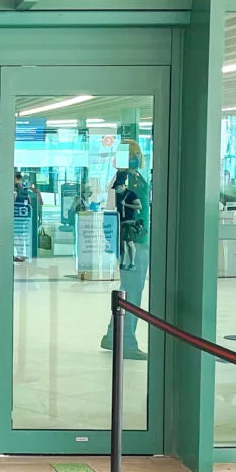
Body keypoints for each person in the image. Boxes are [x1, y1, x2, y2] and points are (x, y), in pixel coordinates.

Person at [101, 143, 150, 361]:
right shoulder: (123, 179)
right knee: (132, 290)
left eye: (136, 154)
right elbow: (114, 211)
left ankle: (113, 336)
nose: (135, 157)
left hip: (137, 239)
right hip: (132, 240)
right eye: (131, 155)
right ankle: (126, 341)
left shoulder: (134, 177)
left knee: (129, 288)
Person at [114, 171, 143, 270]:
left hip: (129, 222)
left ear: (122, 185)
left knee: (129, 242)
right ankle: (122, 263)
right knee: (122, 243)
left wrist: (126, 205)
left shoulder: (131, 194)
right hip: (120, 221)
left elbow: (139, 206)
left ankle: (132, 263)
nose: (116, 190)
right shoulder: (117, 196)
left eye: (117, 187)